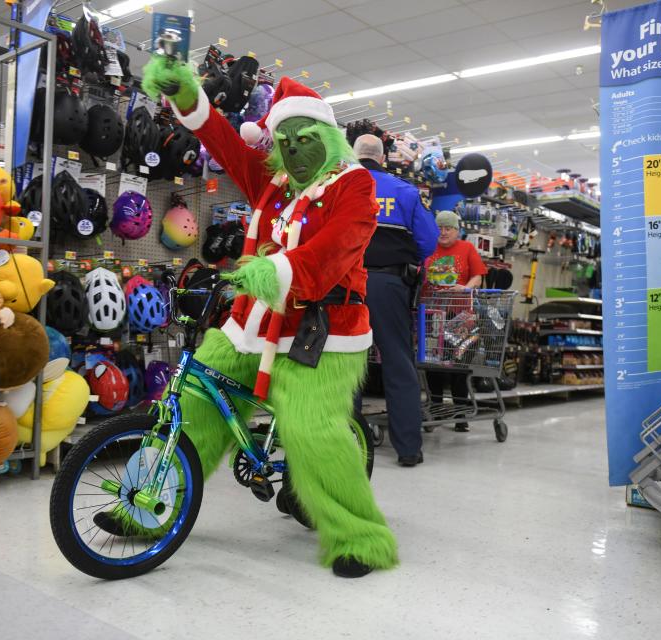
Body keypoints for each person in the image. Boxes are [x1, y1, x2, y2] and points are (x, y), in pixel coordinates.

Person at [133, 61, 398, 579]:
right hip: (251, 322)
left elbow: (335, 250)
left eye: (306, 136)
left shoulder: (355, 186)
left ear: (327, 136)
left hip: (324, 329)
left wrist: (272, 271)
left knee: (309, 428)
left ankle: (359, 536)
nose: (295, 147)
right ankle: (143, 507)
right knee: (187, 402)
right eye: (285, 139)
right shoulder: (273, 184)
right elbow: (228, 146)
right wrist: (189, 99)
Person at [352, 134, 438, 467]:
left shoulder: (337, 187)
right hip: (389, 285)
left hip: (346, 286)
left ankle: (347, 442)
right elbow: (429, 243)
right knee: (398, 363)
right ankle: (408, 449)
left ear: (354, 155)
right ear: (383, 158)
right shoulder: (404, 191)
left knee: (349, 364)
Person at [424, 210, 487, 432]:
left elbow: (478, 276)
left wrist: (465, 288)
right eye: (439, 228)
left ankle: (461, 414)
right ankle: (434, 410)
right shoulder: (427, 248)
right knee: (433, 365)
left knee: (459, 366)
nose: (443, 232)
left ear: (456, 230)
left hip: (461, 317)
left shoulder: (467, 248)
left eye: (447, 228)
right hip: (433, 316)